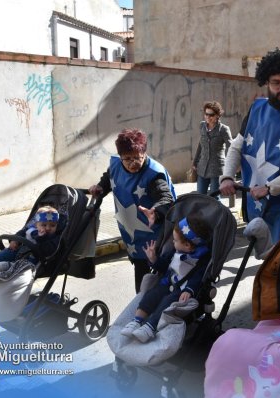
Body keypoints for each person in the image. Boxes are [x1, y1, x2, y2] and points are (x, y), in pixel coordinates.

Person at [218, 48, 280, 243]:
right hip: (256, 202)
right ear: (266, 82)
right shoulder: (257, 108)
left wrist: (269, 187)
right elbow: (237, 146)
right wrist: (227, 177)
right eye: (276, 82)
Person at [89, 129, 176, 293]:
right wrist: (100, 187)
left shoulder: (153, 174)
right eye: (127, 159)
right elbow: (109, 178)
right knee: (140, 271)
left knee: (160, 274)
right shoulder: (116, 164)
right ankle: (141, 306)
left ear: (144, 153)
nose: (132, 163)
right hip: (132, 234)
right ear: (120, 156)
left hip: (154, 235)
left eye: (137, 158)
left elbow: (166, 198)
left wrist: (155, 212)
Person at [120, 215, 210, 342]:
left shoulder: (200, 259)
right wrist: (154, 259)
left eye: (175, 240)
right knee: (151, 295)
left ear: (187, 245)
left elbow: (198, 277)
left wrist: (189, 290)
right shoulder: (175, 252)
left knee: (166, 303)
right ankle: (136, 320)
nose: (173, 242)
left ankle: (150, 327)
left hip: (180, 290)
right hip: (167, 283)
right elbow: (164, 267)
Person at [0, 205, 61, 272]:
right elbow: (20, 234)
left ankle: (4, 266)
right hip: (18, 251)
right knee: (5, 253)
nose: (48, 228)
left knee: (22, 267)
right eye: (44, 225)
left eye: (52, 225)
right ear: (36, 224)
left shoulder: (55, 238)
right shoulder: (30, 229)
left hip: (33, 258)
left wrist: (41, 238)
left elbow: (48, 250)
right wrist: (14, 241)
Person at [192, 101, 233, 194]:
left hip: (217, 169)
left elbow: (231, 148)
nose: (208, 117)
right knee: (200, 196)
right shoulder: (202, 126)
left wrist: (229, 167)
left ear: (217, 115)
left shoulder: (224, 129)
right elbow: (200, 145)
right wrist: (194, 162)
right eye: (206, 114)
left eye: (211, 115)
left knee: (214, 197)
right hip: (202, 168)